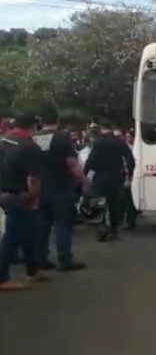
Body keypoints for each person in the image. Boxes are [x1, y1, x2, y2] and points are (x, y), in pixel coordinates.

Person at [33, 107, 87, 272]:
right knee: (63, 225)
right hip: (61, 189)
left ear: (41, 121)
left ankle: (40, 259)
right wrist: (83, 179)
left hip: (40, 189)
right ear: (57, 120)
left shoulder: (33, 139)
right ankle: (64, 260)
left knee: (42, 227)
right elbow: (71, 163)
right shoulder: (61, 139)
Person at [0, 112, 48, 291]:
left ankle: (33, 269)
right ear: (33, 126)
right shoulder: (30, 147)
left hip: (3, 193)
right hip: (20, 196)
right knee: (12, 237)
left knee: (29, 232)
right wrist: (34, 198)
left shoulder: (3, 140)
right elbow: (33, 180)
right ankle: (2, 277)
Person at [84, 122, 135, 241]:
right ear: (111, 128)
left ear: (101, 128)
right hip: (116, 175)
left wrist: (84, 174)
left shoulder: (98, 142)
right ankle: (114, 230)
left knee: (99, 202)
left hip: (100, 176)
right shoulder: (119, 142)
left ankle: (101, 227)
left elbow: (91, 160)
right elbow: (129, 158)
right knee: (114, 204)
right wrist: (129, 173)